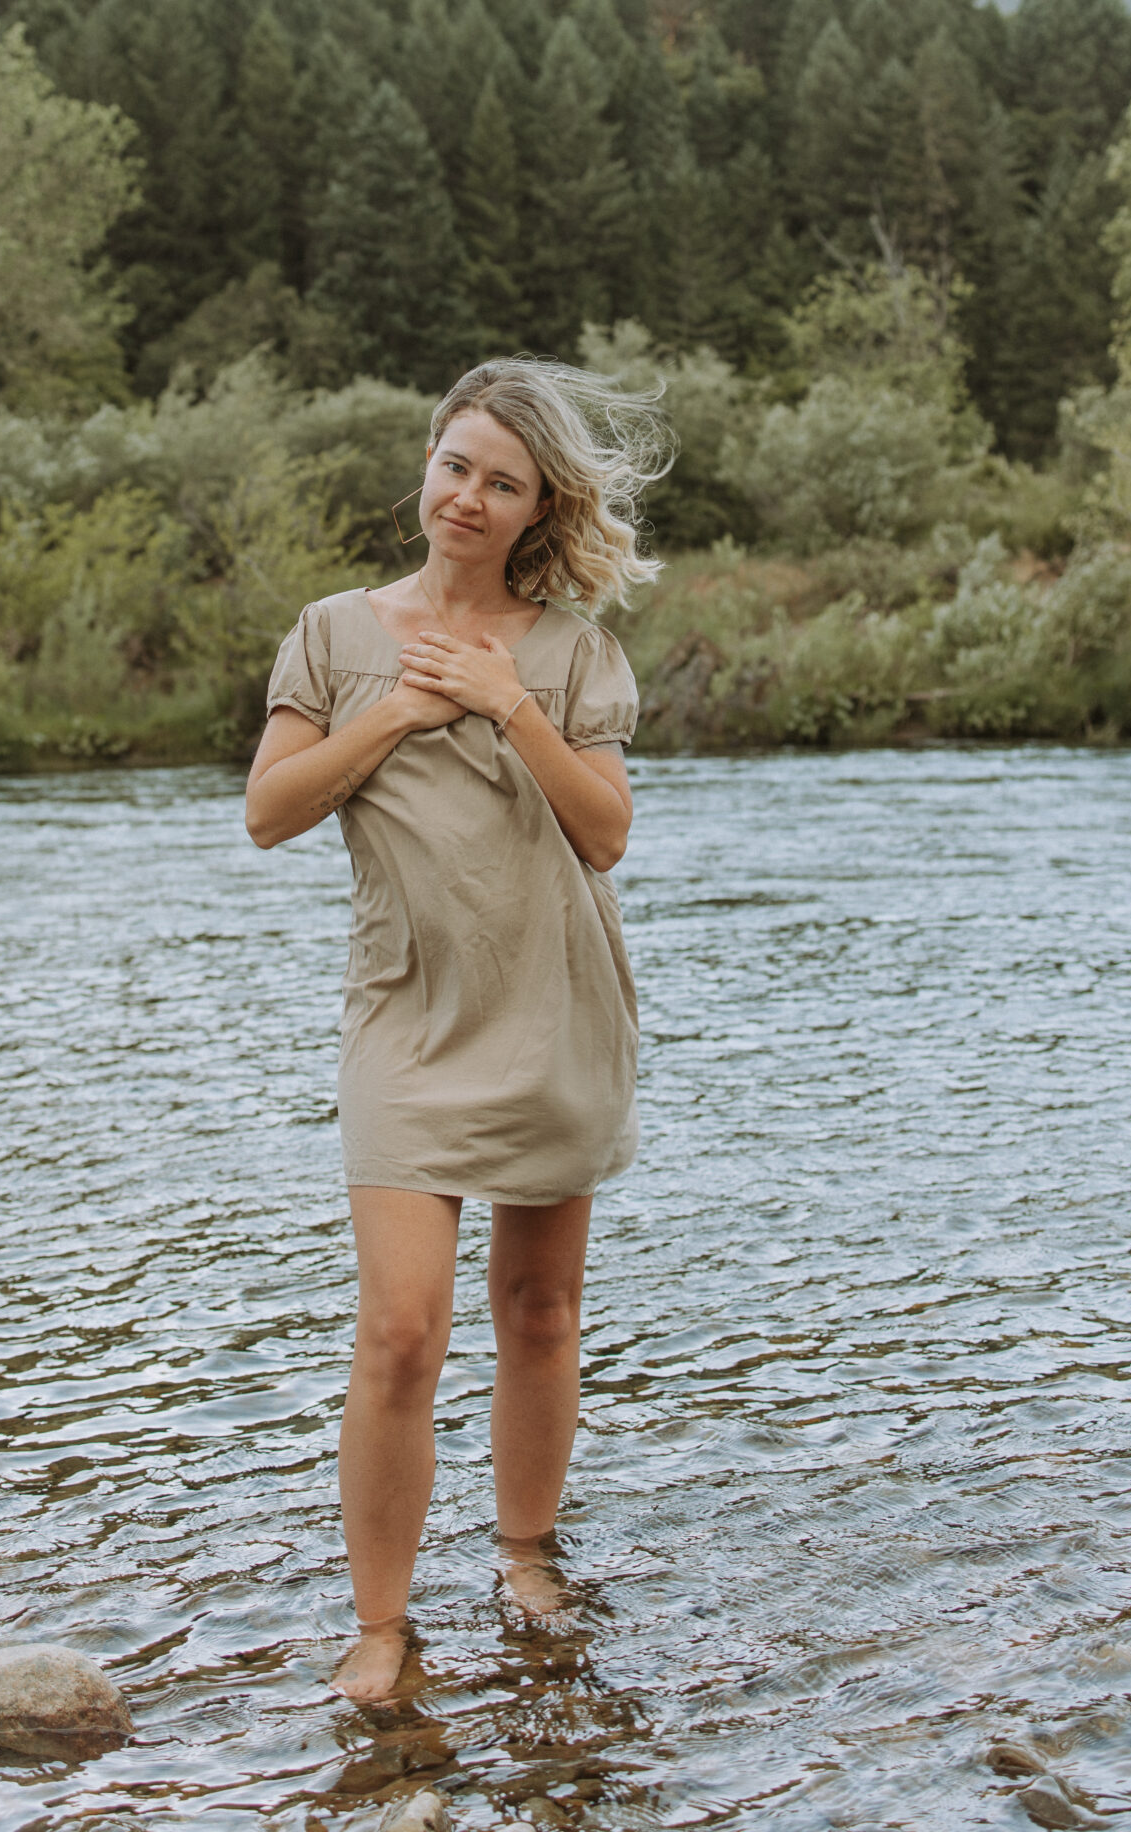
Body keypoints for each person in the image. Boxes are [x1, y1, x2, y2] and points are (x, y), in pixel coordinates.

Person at [245, 356, 673, 1704]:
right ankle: (381, 1626)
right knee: (402, 1330)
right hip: (406, 1018)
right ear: (425, 467)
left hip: (551, 1004)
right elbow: (269, 812)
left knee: (539, 1311)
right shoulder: (332, 634)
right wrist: (402, 711)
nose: (469, 498)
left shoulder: (572, 650)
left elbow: (603, 835)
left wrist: (506, 704)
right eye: (454, 466)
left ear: (540, 504)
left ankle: (527, 1555)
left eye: (503, 481)